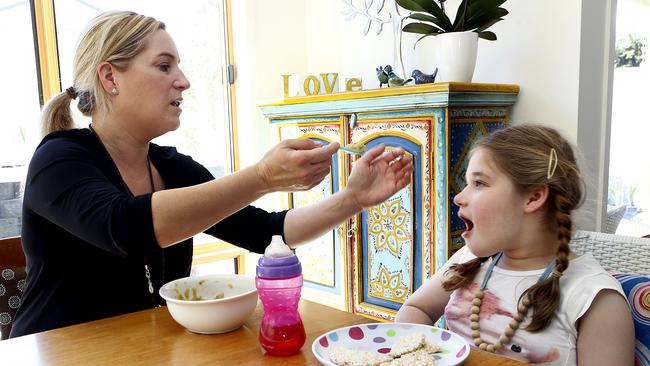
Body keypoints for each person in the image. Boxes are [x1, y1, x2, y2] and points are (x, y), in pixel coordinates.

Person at [10, 11, 413, 338]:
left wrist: (353, 198)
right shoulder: (59, 159)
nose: (183, 81)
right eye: (164, 66)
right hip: (54, 351)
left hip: (144, 346)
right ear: (110, 77)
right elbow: (124, 226)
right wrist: (262, 177)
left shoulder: (170, 166)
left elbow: (268, 231)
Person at [395, 124, 634, 365]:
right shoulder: (469, 260)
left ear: (533, 197)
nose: (459, 197)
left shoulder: (594, 299)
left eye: (479, 183)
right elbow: (417, 309)